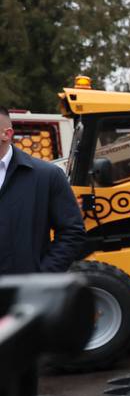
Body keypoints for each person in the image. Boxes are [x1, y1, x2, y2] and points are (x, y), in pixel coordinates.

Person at [0, 106, 86, 278]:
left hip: (24, 295)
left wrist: (41, 277)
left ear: (7, 134)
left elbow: (72, 232)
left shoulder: (47, 176)